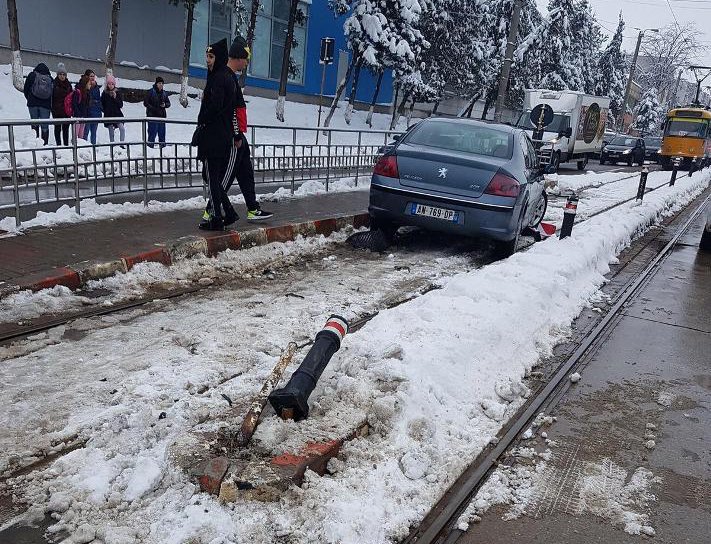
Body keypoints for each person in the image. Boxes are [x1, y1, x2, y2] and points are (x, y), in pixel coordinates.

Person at [201, 36, 273, 223]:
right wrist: (236, 133)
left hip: (237, 132)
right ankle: (212, 209)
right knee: (227, 173)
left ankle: (252, 207)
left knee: (245, 170)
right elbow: (227, 109)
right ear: (238, 58)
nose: (247, 63)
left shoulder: (230, 76)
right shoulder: (224, 76)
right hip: (231, 135)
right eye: (246, 59)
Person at [196, 38, 239, 231]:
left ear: (219, 57)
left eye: (211, 56)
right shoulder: (223, 76)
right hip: (219, 134)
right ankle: (227, 211)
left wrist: (203, 118)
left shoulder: (219, 78)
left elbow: (216, 105)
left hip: (214, 135)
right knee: (210, 175)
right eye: (206, 56)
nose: (207, 60)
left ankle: (217, 216)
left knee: (211, 176)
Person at [23, 62, 53, 145]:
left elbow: (25, 88)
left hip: (33, 104)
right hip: (45, 106)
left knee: (34, 124)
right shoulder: (50, 78)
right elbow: (52, 93)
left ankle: (35, 144)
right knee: (45, 126)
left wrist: (29, 98)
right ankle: (45, 144)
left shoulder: (32, 75)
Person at [144, 76, 171, 148]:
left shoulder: (164, 93)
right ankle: (150, 147)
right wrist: (153, 108)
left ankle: (162, 148)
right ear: (156, 84)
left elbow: (168, 103)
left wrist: (165, 105)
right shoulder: (151, 92)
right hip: (152, 116)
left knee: (162, 134)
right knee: (152, 133)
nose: (161, 85)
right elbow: (146, 103)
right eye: (159, 83)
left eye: (162, 83)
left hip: (162, 117)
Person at [51, 63, 72, 146]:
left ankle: (66, 145)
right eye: (60, 74)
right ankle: (58, 145)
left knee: (66, 129)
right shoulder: (54, 83)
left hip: (66, 111)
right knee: (57, 129)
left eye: (64, 74)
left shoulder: (68, 84)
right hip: (57, 111)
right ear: (57, 74)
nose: (62, 76)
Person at [101, 75, 125, 144]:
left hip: (117, 114)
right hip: (108, 115)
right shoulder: (104, 93)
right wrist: (105, 110)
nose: (110, 85)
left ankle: (122, 144)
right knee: (111, 131)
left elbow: (120, 104)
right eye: (109, 84)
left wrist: (115, 97)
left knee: (122, 129)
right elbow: (102, 103)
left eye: (112, 84)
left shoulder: (117, 92)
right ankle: (112, 144)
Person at [84, 69, 102, 145]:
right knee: (86, 132)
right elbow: (87, 98)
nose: (92, 78)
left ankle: (93, 147)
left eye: (93, 76)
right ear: (87, 76)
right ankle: (84, 147)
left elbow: (98, 99)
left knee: (94, 133)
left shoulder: (96, 87)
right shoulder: (85, 85)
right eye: (91, 76)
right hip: (88, 112)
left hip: (96, 112)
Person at [72, 75, 90, 140]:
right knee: (75, 134)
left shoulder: (87, 92)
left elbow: (87, 104)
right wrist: (78, 113)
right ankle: (74, 147)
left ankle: (80, 147)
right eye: (89, 83)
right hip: (77, 116)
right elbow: (74, 104)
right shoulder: (78, 92)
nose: (90, 84)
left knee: (81, 134)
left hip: (83, 116)